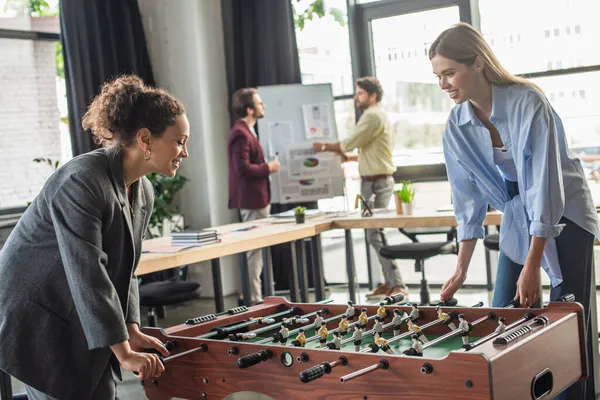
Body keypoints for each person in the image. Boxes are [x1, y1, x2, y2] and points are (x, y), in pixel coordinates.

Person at [430, 22, 600, 400]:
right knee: (502, 318)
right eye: (437, 76)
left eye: (449, 73)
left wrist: (532, 264)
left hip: (566, 214)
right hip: (520, 217)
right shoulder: (457, 124)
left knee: (568, 327)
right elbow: (467, 199)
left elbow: (545, 185)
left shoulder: (527, 102)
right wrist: (460, 269)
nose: (443, 85)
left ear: (477, 64)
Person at [0, 75, 189, 399]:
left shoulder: (142, 191)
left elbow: (126, 269)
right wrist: (125, 353)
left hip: (80, 308)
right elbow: (89, 272)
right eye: (179, 141)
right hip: (36, 314)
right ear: (145, 139)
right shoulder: (81, 181)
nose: (184, 152)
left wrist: (130, 329)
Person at [313, 77, 408, 299]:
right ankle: (389, 282)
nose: (356, 98)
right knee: (374, 233)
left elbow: (349, 142)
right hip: (373, 181)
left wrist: (324, 146)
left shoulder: (372, 115)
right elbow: (369, 149)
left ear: (373, 95)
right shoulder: (377, 114)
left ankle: (398, 284)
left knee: (375, 233)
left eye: (360, 94)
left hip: (377, 183)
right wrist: (353, 156)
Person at [227, 88, 280, 305]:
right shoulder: (241, 133)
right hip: (252, 200)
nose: (263, 106)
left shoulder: (247, 131)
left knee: (257, 252)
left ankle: (255, 297)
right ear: (249, 109)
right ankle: (254, 301)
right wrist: (268, 167)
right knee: (254, 253)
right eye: (259, 103)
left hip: (258, 199)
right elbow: (242, 169)